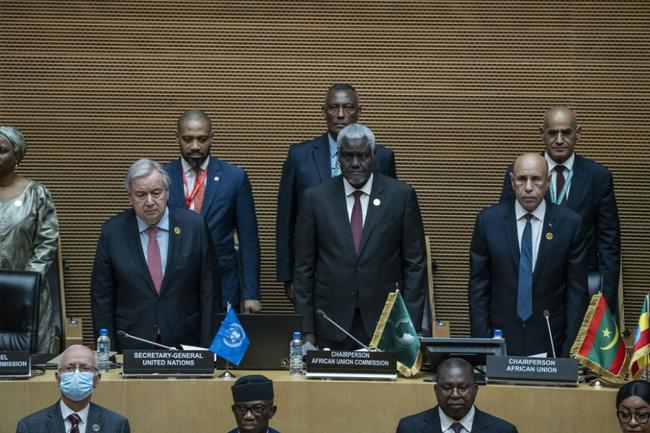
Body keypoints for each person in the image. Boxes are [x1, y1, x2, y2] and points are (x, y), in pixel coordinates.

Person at [293, 123, 426, 349]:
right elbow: (303, 268)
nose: (355, 163)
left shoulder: (400, 196)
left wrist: (409, 327)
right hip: (330, 321)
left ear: (373, 155)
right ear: (338, 157)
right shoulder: (315, 199)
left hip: (387, 323)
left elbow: (415, 265)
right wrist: (307, 331)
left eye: (362, 155)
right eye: (347, 156)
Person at [276, 83, 397, 301]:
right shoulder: (300, 156)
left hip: (369, 276)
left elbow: (391, 219)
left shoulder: (381, 157)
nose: (341, 115)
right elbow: (286, 219)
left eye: (348, 107)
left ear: (359, 112)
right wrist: (289, 276)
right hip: (314, 273)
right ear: (323, 111)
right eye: (334, 107)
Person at [91, 159, 220, 351]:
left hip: (185, 339)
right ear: (130, 197)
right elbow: (101, 297)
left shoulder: (194, 227)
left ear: (167, 193)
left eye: (156, 193)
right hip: (132, 341)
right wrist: (107, 352)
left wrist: (209, 348)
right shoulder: (112, 232)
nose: (150, 202)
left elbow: (209, 291)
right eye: (141, 195)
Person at [500, 107, 620, 313]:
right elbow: (505, 233)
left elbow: (609, 244)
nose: (559, 140)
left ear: (578, 133)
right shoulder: (520, 174)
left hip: (582, 286)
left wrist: (604, 304)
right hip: (533, 286)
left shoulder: (598, 177)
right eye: (552, 133)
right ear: (541, 133)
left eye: (566, 132)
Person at [469, 153, 589, 357]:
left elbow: (576, 294)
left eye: (536, 179)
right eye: (522, 179)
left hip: (551, 339)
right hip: (501, 339)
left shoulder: (570, 224)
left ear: (548, 180)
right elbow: (478, 289)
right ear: (512, 181)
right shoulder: (488, 222)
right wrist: (483, 347)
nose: (528, 187)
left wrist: (570, 350)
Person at [165, 110, 261, 312]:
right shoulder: (162, 177)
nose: (195, 146)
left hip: (223, 285)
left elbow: (248, 240)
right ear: (177, 138)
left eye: (202, 139)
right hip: (173, 287)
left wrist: (251, 293)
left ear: (212, 137)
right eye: (188, 139)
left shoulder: (234, 178)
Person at [0, 126, 59, 353]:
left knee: (31, 367)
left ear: (17, 155)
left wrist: (23, 284)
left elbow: (46, 243)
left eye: (2, 150)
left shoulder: (36, 194)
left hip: (26, 294)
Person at [15, 344, 130, 433]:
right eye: (69, 368)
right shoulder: (29, 427)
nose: (77, 373)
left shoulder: (117, 426)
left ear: (97, 379)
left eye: (85, 368)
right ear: (58, 378)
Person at [396, 357, 518, 433]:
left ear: (475, 390)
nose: (455, 394)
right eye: (447, 387)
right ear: (436, 390)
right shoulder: (409, 428)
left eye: (463, 387)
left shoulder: (503, 430)